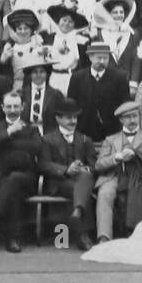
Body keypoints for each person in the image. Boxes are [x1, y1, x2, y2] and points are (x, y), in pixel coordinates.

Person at [0, 89, 45, 252]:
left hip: (26, 179)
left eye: (16, 106)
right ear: (2, 108)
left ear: (22, 107)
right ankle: (13, 239)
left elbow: (36, 147)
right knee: (12, 190)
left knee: (15, 179)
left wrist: (6, 144)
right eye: (9, 106)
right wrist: (9, 132)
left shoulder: (31, 129)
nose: (13, 110)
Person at [93, 100, 142, 242]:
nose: (132, 120)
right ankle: (104, 236)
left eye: (135, 116)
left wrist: (138, 155)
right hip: (114, 175)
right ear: (121, 120)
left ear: (139, 117)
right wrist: (116, 157)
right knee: (105, 193)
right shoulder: (111, 139)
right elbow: (99, 165)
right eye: (128, 117)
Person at [40, 97, 98, 250]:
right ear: (58, 119)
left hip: (81, 180)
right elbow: (43, 164)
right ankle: (82, 231)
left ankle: (78, 217)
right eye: (68, 118)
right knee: (83, 190)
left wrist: (85, 168)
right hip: (59, 182)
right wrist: (66, 170)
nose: (72, 121)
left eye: (75, 117)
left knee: (84, 178)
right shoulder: (47, 139)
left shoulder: (85, 139)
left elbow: (94, 165)